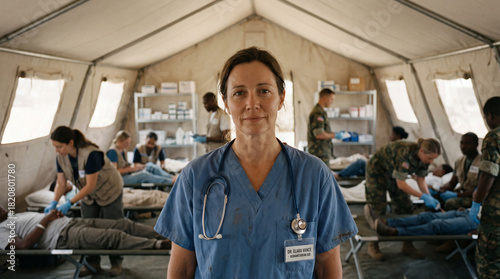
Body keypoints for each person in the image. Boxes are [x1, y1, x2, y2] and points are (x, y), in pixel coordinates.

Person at [154, 47, 357, 278]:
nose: (252, 103)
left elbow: (327, 267)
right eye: (239, 93)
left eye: (263, 91)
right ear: (226, 103)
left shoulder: (314, 176)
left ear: (281, 97)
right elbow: (181, 268)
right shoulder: (195, 177)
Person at [0, 206, 170, 276]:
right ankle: (158, 245)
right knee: (112, 236)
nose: (1, 206)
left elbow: (36, 223)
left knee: (122, 224)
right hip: (62, 237)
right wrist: (46, 219)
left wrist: (55, 215)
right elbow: (24, 245)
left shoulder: (14, 216)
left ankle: (164, 235)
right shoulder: (0, 231)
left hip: (70, 222)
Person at [46, 126, 125, 275]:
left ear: (70, 143)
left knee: (113, 226)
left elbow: (90, 185)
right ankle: (92, 263)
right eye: (55, 147)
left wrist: (70, 202)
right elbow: (61, 183)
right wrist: (54, 202)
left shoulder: (91, 154)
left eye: (59, 146)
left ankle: (116, 261)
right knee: (88, 229)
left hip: (109, 191)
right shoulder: (60, 158)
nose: (57, 150)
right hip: (89, 196)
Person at [364, 138, 441, 260]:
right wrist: (422, 196)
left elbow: (421, 180)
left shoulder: (424, 159)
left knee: (405, 206)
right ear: (421, 151)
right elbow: (401, 184)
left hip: (396, 175)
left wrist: (428, 196)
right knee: (378, 207)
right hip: (377, 171)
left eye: (433, 159)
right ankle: (373, 245)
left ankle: (407, 244)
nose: (431, 161)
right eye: (430, 158)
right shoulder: (404, 153)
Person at [470, 96, 500, 279]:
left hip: (496, 217)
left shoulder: (494, 136)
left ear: (490, 116)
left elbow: (489, 173)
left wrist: (476, 203)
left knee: (489, 267)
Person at [334, 126, 409, 180]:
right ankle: (340, 174)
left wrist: (372, 159)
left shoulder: (398, 149)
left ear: (397, 136)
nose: (390, 136)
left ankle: (339, 175)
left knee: (360, 163)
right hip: (379, 168)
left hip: (381, 172)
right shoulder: (395, 146)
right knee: (357, 170)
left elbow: (387, 162)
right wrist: (371, 157)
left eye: (392, 134)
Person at [107, 130, 177, 185]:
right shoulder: (112, 152)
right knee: (144, 175)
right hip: (120, 179)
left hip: (127, 173)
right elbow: (115, 172)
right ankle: (170, 181)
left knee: (150, 166)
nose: (128, 145)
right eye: (126, 143)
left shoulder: (122, 150)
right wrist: (130, 169)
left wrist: (137, 168)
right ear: (119, 141)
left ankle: (171, 177)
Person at [363, 204, 477, 237]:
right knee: (425, 216)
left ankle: (394, 231)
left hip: (479, 221)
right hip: (469, 211)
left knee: (436, 225)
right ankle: (387, 222)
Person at [438, 132, 480, 210]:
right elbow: (452, 183)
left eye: (468, 144)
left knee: (450, 203)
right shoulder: (459, 161)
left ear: (476, 144)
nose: (463, 147)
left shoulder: (482, 163)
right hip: (461, 193)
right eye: (461, 143)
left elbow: (480, 189)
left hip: (473, 197)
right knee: (435, 197)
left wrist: (457, 195)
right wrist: (443, 188)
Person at [307, 88, 347, 166]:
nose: (332, 102)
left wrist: (334, 134)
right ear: (325, 98)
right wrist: (336, 135)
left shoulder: (321, 111)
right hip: (319, 153)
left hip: (321, 153)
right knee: (321, 177)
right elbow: (319, 134)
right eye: (331, 99)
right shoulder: (318, 113)